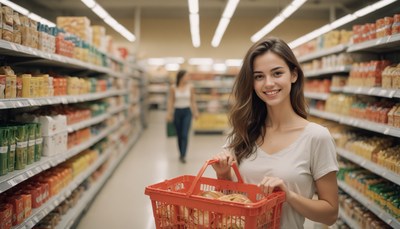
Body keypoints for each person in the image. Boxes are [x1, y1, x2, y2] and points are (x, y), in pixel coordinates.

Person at [211, 37, 338, 228]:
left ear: (293, 75)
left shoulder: (316, 137)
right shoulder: (241, 134)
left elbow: (330, 214)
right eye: (259, 76)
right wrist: (224, 176)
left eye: (277, 73)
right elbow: (230, 205)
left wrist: (289, 196)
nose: (268, 83)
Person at [167, 70, 199, 163]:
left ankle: (183, 155)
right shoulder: (173, 87)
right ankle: (180, 152)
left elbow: (193, 101)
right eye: (187, 76)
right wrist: (169, 113)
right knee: (179, 135)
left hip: (187, 112)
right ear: (181, 77)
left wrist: (195, 112)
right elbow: (171, 101)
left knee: (185, 134)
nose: (188, 78)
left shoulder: (190, 87)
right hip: (177, 112)